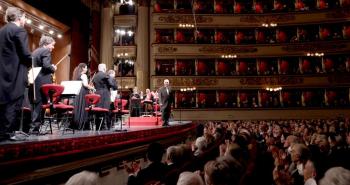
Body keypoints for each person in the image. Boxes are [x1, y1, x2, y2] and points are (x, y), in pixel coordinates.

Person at [0, 7, 32, 140]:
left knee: (3, 103)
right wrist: (33, 61)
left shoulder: (2, 31)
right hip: (15, 74)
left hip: (3, 73)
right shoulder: (19, 30)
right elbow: (25, 55)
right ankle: (8, 133)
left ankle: (2, 132)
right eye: (25, 17)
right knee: (13, 103)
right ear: (19, 18)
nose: (25, 20)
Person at [30, 35, 56, 132]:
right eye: (52, 45)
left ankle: (33, 127)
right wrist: (53, 68)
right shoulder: (46, 51)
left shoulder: (35, 52)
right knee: (41, 104)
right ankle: (36, 128)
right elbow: (46, 66)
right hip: (43, 82)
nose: (53, 47)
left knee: (35, 104)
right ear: (46, 44)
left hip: (34, 80)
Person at [92, 64, 116, 129]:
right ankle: (105, 126)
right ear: (104, 68)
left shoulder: (95, 76)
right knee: (106, 111)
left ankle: (98, 126)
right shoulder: (104, 75)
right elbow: (111, 84)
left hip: (97, 94)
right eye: (105, 68)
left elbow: (94, 84)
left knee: (98, 111)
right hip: (105, 94)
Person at [72, 63, 95, 129]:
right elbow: (85, 85)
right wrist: (92, 88)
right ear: (83, 68)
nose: (86, 69)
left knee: (78, 107)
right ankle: (82, 125)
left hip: (77, 92)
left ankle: (77, 124)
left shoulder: (76, 75)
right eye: (86, 68)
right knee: (83, 107)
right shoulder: (84, 75)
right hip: (83, 92)